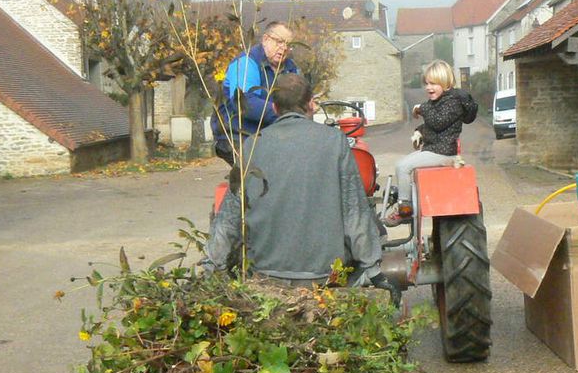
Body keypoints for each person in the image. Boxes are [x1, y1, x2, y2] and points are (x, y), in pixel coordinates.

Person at [203, 73, 395, 297]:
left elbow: (229, 216)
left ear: (274, 108)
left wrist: (211, 269)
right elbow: (355, 213)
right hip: (325, 276)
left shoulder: (251, 146)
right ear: (311, 104)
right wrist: (374, 272)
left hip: (266, 276)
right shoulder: (335, 142)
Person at [383, 60, 477, 226]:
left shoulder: (452, 102)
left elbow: (438, 123)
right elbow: (433, 127)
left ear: (445, 83)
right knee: (404, 163)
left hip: (443, 153)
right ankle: (408, 198)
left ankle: (404, 208)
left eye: (433, 83)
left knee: (402, 166)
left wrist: (421, 108)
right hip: (434, 149)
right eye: (426, 83)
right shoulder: (441, 102)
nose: (428, 87)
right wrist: (420, 131)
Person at [210, 21, 300, 165]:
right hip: (238, 135)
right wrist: (285, 114)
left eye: (288, 44)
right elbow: (244, 104)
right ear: (265, 39)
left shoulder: (291, 68)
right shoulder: (246, 63)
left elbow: (300, 99)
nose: (283, 48)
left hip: (271, 135)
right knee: (263, 175)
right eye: (279, 42)